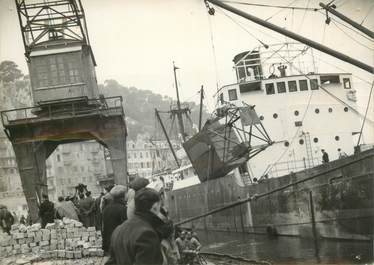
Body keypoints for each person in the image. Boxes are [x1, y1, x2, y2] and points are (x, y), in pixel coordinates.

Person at [107, 188, 166, 265]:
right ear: (154, 207)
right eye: (160, 205)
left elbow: (111, 262)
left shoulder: (118, 229)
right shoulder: (147, 234)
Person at [102, 185, 127, 255]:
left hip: (109, 242)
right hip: (119, 243)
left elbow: (104, 227)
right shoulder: (123, 208)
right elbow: (124, 227)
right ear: (122, 196)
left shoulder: (106, 208)